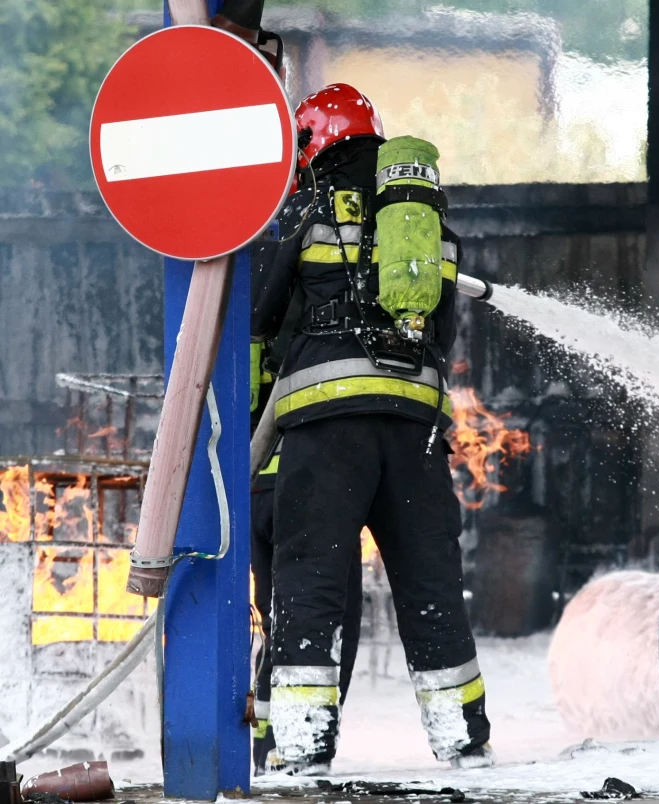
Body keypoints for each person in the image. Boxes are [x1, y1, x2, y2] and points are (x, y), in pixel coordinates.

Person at [251, 82, 490, 775]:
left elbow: (259, 314)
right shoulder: (425, 222)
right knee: (430, 583)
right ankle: (463, 742)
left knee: (312, 577)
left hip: (328, 427)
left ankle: (299, 748)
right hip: (413, 427)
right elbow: (443, 329)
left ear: (313, 143)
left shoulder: (308, 207)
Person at [247, 288, 363, 774]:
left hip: (253, 487)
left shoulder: (248, 292)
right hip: (310, 487)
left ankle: (266, 747)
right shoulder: (324, 296)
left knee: (281, 622)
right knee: (331, 620)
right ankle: (296, 744)